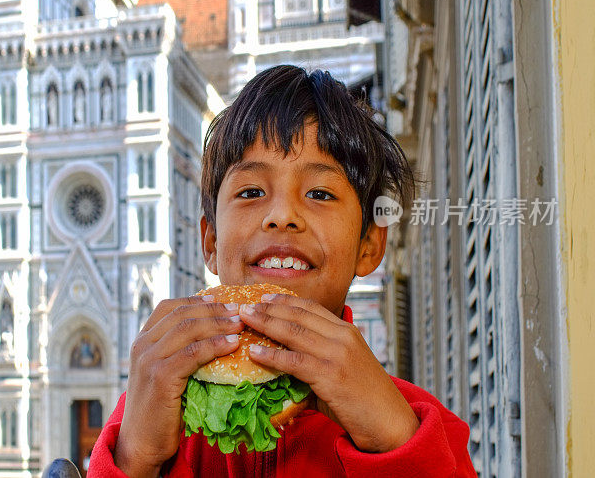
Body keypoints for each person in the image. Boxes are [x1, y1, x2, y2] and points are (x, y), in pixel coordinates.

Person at [89, 65, 476, 476]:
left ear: (369, 245)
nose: (282, 215)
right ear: (212, 243)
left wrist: (394, 444)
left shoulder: (419, 426)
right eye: (251, 191)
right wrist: (134, 459)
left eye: (320, 193)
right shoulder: (151, 408)